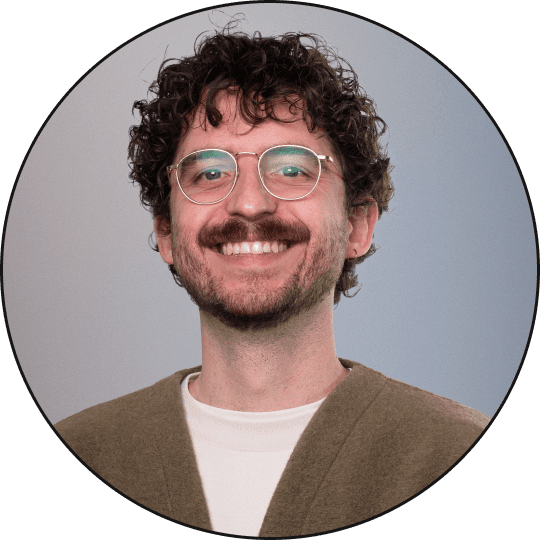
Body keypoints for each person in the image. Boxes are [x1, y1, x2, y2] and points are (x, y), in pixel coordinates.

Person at [55, 31, 490, 537]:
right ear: (167, 234)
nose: (248, 204)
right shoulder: (73, 459)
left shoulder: (463, 456)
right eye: (209, 173)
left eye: (290, 169)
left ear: (357, 226)